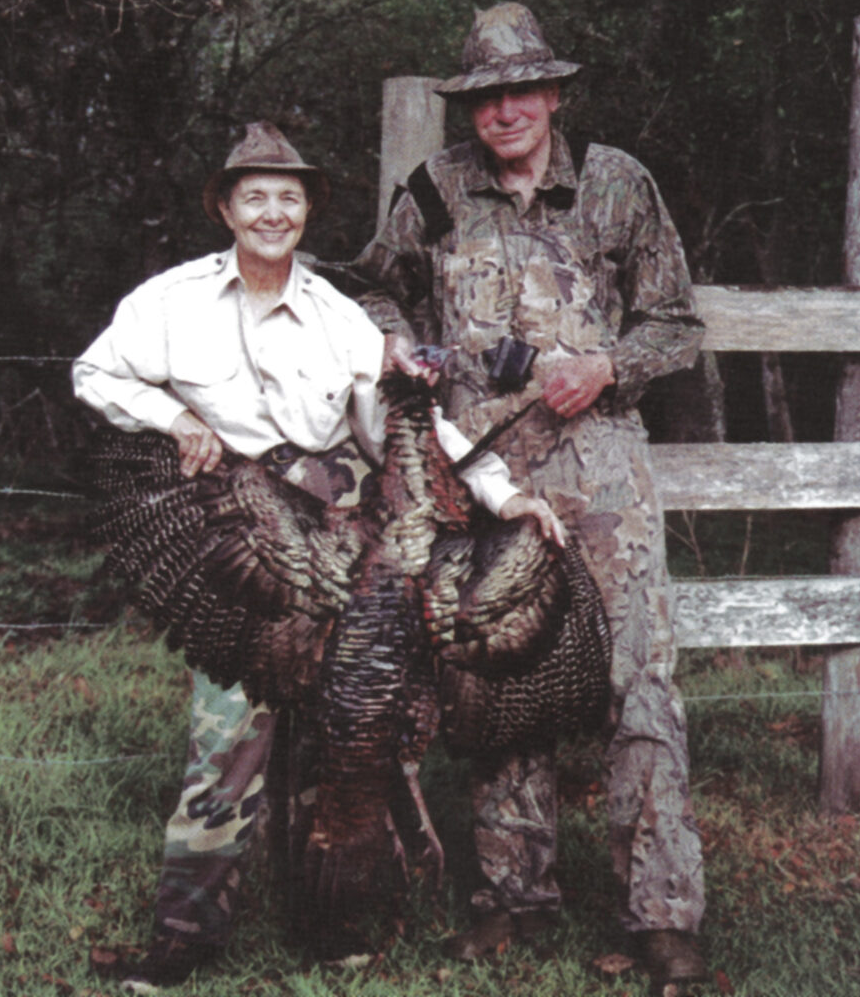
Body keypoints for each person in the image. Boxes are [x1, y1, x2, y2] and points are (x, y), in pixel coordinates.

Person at [72, 120, 563, 994]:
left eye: (288, 198)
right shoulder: (170, 301)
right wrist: (178, 420)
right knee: (227, 736)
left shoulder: (340, 315)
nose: (272, 213)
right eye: (254, 196)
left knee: (347, 735)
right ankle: (186, 936)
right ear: (226, 207)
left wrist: (504, 495)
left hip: (337, 534)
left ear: (306, 213)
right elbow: (96, 376)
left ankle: (331, 924)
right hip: (234, 538)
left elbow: (407, 427)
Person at [349, 2, 708, 992]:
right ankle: (512, 894)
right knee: (496, 677)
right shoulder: (430, 192)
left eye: (521, 91)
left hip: (599, 465)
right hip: (485, 477)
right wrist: (389, 336)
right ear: (468, 106)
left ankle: (662, 914)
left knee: (638, 675)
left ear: (551, 93)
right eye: (484, 96)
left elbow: (676, 324)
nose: (504, 110)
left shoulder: (614, 185)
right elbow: (374, 291)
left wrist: (603, 364)